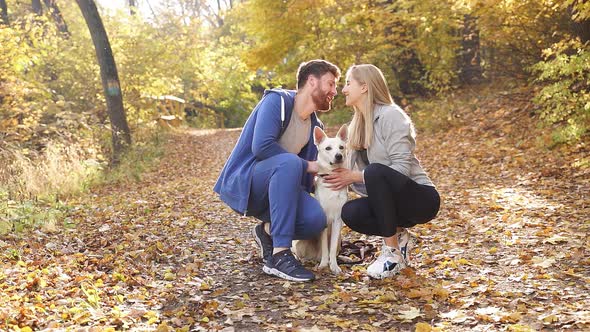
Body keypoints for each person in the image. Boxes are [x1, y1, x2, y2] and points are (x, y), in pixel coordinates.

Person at [213, 59, 341, 282]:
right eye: (330, 84)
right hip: (252, 183)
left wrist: (339, 178)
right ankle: (281, 255)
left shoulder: (314, 125)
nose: (334, 91)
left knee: (315, 219)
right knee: (290, 162)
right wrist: (306, 165)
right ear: (312, 81)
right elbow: (261, 146)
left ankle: (268, 231)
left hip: (281, 190)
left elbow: (307, 180)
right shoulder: (277, 102)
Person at [323, 64, 440, 279]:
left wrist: (358, 176)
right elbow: (347, 171)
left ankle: (392, 253)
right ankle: (399, 237)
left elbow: (401, 169)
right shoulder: (357, 125)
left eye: (348, 83)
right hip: (393, 202)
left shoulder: (392, 116)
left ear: (365, 87)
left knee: (375, 171)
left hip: (421, 199)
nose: (344, 90)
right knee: (351, 212)